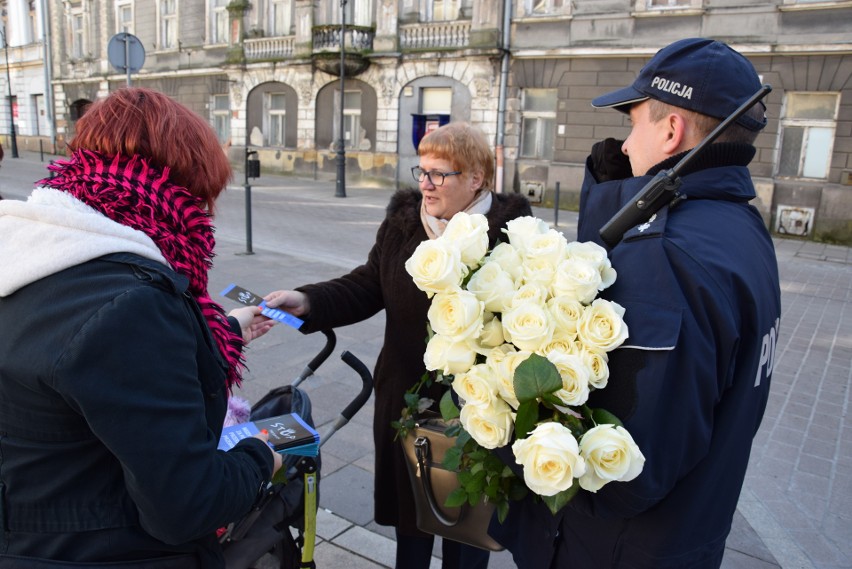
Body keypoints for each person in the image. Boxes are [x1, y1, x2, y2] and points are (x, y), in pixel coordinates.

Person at [489, 38, 782, 568]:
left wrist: (504, 415)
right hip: (683, 537)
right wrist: (617, 201)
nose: (624, 145)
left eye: (634, 124)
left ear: (671, 131)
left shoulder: (667, 254)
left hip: (614, 549)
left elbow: (629, 469)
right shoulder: (741, 229)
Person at [0, 87, 281, 568]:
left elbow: (84, 366)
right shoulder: (132, 305)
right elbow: (186, 505)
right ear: (185, 187)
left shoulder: (36, 248)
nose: (207, 214)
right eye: (204, 197)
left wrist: (226, 329)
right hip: (108, 553)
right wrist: (260, 456)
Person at [262, 122, 532, 569]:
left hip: (479, 410)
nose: (425, 183)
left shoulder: (512, 235)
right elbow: (368, 284)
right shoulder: (404, 224)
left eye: (438, 174)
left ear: (476, 179)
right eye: (421, 171)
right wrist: (307, 300)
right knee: (412, 528)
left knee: (467, 535)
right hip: (407, 401)